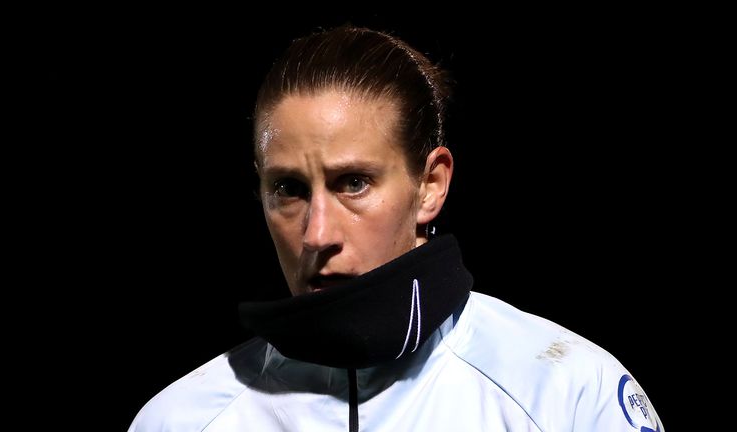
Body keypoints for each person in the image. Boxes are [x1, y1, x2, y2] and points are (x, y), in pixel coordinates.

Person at [128, 26, 664, 432]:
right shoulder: (179, 420)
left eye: (353, 182)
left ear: (430, 185)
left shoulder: (564, 392)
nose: (317, 234)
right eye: (289, 189)